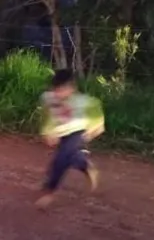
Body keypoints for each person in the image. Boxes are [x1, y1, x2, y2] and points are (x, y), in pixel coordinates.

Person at [34, 68, 105, 208]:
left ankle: (50, 192)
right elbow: (48, 116)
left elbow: (99, 122)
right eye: (56, 89)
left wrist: (92, 132)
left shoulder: (86, 102)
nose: (58, 93)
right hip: (63, 133)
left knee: (61, 158)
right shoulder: (48, 98)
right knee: (68, 156)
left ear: (72, 88)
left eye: (62, 89)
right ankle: (85, 165)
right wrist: (47, 132)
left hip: (79, 131)